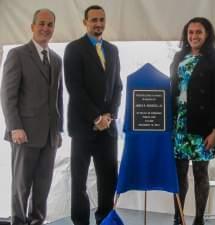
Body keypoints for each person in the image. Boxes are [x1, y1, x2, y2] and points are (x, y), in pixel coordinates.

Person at [1, 9, 63, 225]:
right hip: (24, 133)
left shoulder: (56, 59)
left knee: (43, 185)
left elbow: (58, 99)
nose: (46, 28)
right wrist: (14, 127)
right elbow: (7, 96)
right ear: (32, 26)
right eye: (42, 23)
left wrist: (59, 130)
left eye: (50, 25)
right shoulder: (17, 55)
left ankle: (37, 221)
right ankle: (18, 221)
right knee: (21, 185)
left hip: (49, 135)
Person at [64, 5, 122, 225]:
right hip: (82, 127)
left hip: (108, 129)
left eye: (102, 19)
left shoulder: (113, 50)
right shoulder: (73, 48)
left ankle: (105, 220)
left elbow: (118, 86)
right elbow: (74, 88)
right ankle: (80, 221)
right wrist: (96, 118)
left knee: (108, 180)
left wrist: (110, 117)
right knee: (78, 181)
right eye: (94, 20)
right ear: (85, 22)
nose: (98, 23)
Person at [170, 17, 215, 225]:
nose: (194, 36)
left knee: (200, 172)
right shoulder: (179, 56)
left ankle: (199, 219)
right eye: (190, 32)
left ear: (207, 34)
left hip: (203, 126)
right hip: (179, 123)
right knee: (179, 172)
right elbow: (172, 88)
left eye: (198, 32)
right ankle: (179, 217)